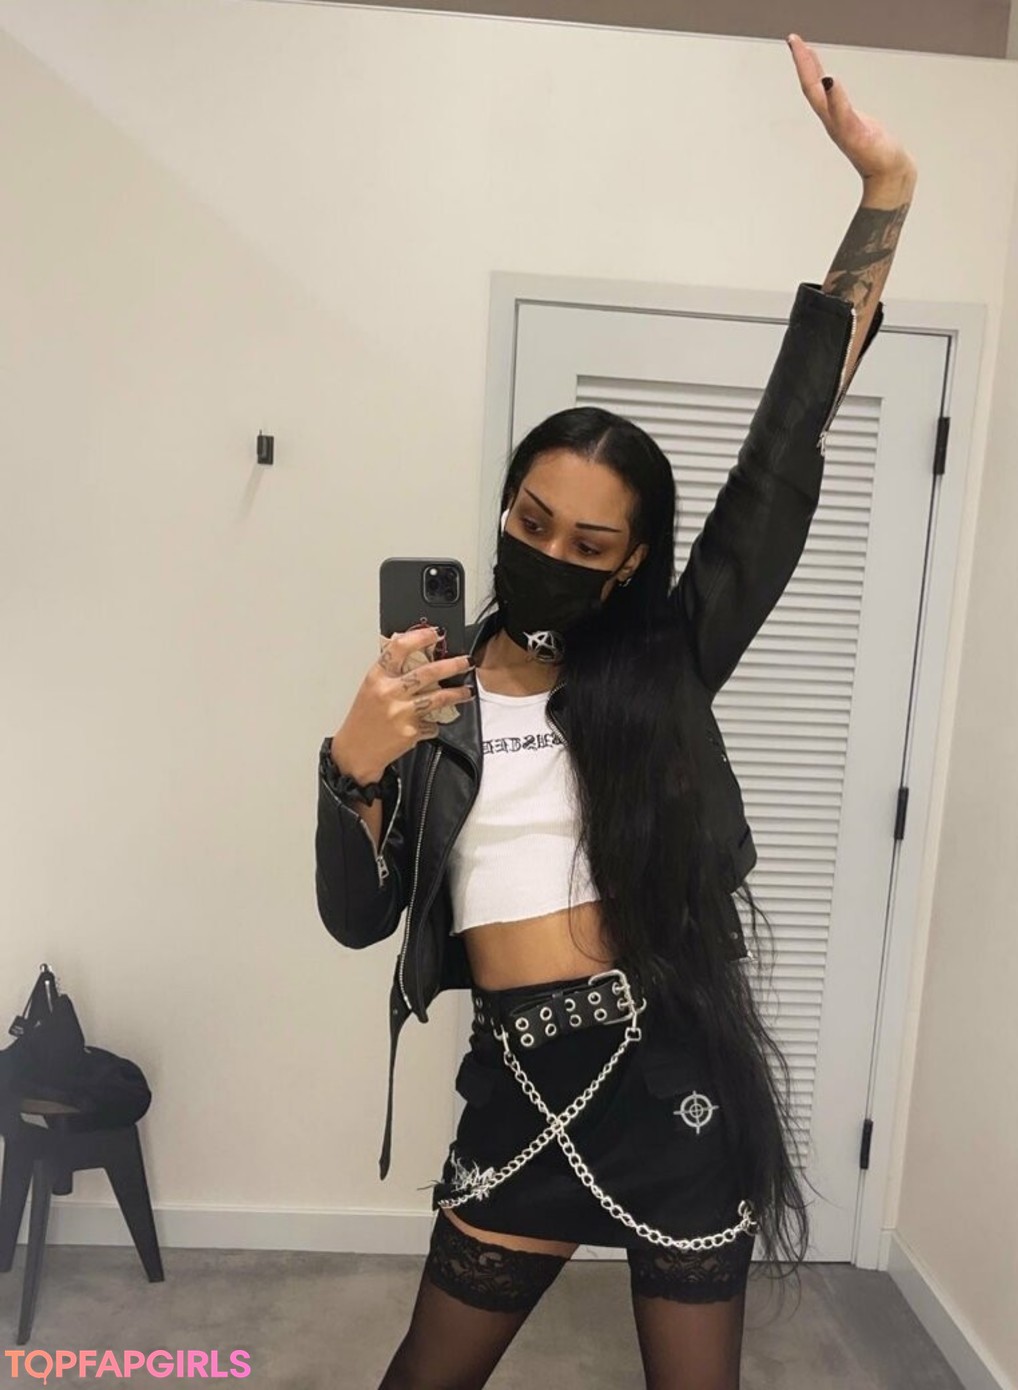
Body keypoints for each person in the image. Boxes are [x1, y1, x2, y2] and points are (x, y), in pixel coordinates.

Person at [316, 34, 916, 1390]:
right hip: (515, 1082)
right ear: (505, 507)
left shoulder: (666, 660)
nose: (551, 552)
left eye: (589, 544)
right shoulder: (424, 694)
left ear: (633, 561)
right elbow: (357, 919)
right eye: (532, 522)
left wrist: (884, 193)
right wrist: (352, 765)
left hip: (670, 1077)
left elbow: (779, 458)